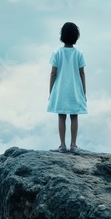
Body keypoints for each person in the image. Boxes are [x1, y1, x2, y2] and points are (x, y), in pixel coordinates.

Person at [47, 22, 87, 152]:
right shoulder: (79, 54)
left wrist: (51, 91)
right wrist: (84, 92)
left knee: (61, 116)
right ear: (76, 36)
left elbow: (53, 73)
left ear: (62, 36)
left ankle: (62, 145)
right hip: (75, 89)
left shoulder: (57, 53)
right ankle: (73, 144)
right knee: (74, 116)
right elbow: (82, 73)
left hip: (60, 90)